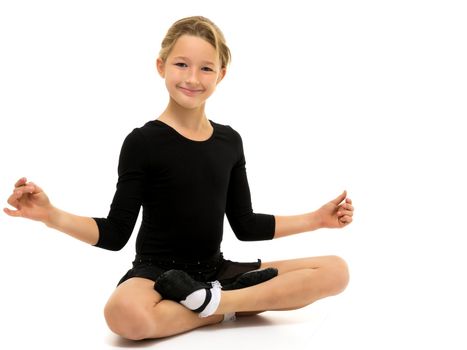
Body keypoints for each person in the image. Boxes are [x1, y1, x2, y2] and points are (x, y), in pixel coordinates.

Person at [4, 16, 353, 341]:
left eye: (206, 68)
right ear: (161, 66)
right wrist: (50, 216)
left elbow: (246, 225)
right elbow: (114, 235)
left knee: (336, 271)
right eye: (182, 64)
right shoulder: (143, 142)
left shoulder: (229, 141)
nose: (192, 78)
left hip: (216, 271)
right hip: (158, 273)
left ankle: (213, 301)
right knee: (122, 314)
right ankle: (223, 306)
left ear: (221, 74)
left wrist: (317, 219)